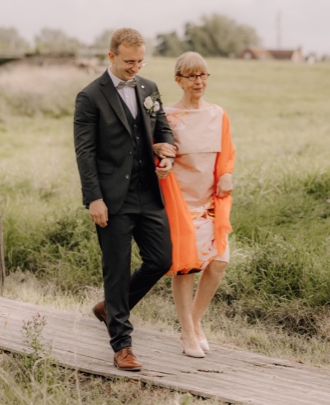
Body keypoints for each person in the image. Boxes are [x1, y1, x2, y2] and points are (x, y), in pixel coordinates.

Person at [74, 28, 177, 371]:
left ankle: (109, 308)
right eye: (129, 61)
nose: (135, 67)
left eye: (140, 60)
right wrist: (94, 199)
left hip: (149, 192)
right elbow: (85, 153)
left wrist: (167, 153)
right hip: (112, 197)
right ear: (111, 56)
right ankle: (122, 345)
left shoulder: (149, 89)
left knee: (161, 259)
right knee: (115, 271)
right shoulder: (90, 96)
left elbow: (163, 130)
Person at [159, 52, 235, 359]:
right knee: (186, 268)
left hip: (211, 201)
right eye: (191, 76)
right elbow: (159, 152)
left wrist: (227, 174)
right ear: (178, 80)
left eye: (203, 75)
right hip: (180, 201)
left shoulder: (218, 114)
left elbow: (227, 154)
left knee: (219, 263)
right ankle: (187, 332)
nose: (198, 81)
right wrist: (162, 164)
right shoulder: (166, 116)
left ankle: (195, 321)